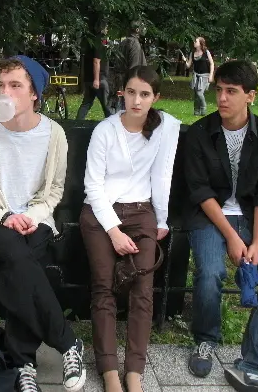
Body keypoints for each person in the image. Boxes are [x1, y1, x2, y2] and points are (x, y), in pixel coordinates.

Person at [0, 55, 86, 392]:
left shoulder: (53, 133)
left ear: (34, 94)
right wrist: (4, 216)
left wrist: (34, 215)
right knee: (20, 259)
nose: (5, 93)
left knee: (23, 268)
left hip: (36, 218)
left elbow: (54, 189)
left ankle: (23, 362)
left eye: (15, 85)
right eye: (1, 85)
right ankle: (69, 342)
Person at [184, 60, 258, 392]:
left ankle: (253, 363)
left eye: (231, 91)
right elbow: (199, 191)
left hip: (248, 215)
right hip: (209, 215)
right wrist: (232, 236)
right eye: (219, 90)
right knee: (211, 271)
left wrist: (256, 242)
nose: (222, 98)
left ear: (251, 96)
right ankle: (205, 339)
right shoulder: (200, 133)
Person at [80, 66, 180, 392]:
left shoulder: (163, 129)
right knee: (103, 287)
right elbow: (93, 186)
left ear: (156, 98)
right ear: (122, 92)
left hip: (142, 213)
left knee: (143, 291)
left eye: (145, 94)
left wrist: (161, 220)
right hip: (100, 214)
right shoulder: (105, 131)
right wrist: (113, 231)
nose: (137, 101)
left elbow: (162, 176)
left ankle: (134, 371)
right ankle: (109, 369)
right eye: (132, 92)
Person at [76, 22, 112, 119]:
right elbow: (96, 61)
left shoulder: (88, 41)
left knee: (86, 104)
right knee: (107, 106)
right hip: (99, 79)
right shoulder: (99, 42)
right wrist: (96, 79)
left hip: (88, 79)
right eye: (106, 27)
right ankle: (113, 126)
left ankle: (78, 123)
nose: (107, 30)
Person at [182, 37, 215, 116]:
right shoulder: (192, 53)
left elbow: (212, 63)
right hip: (195, 75)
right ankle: (196, 111)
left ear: (200, 43)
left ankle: (203, 108)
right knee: (196, 95)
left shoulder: (206, 52)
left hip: (204, 76)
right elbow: (188, 65)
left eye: (196, 41)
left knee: (199, 93)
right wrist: (184, 60)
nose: (194, 42)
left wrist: (211, 75)